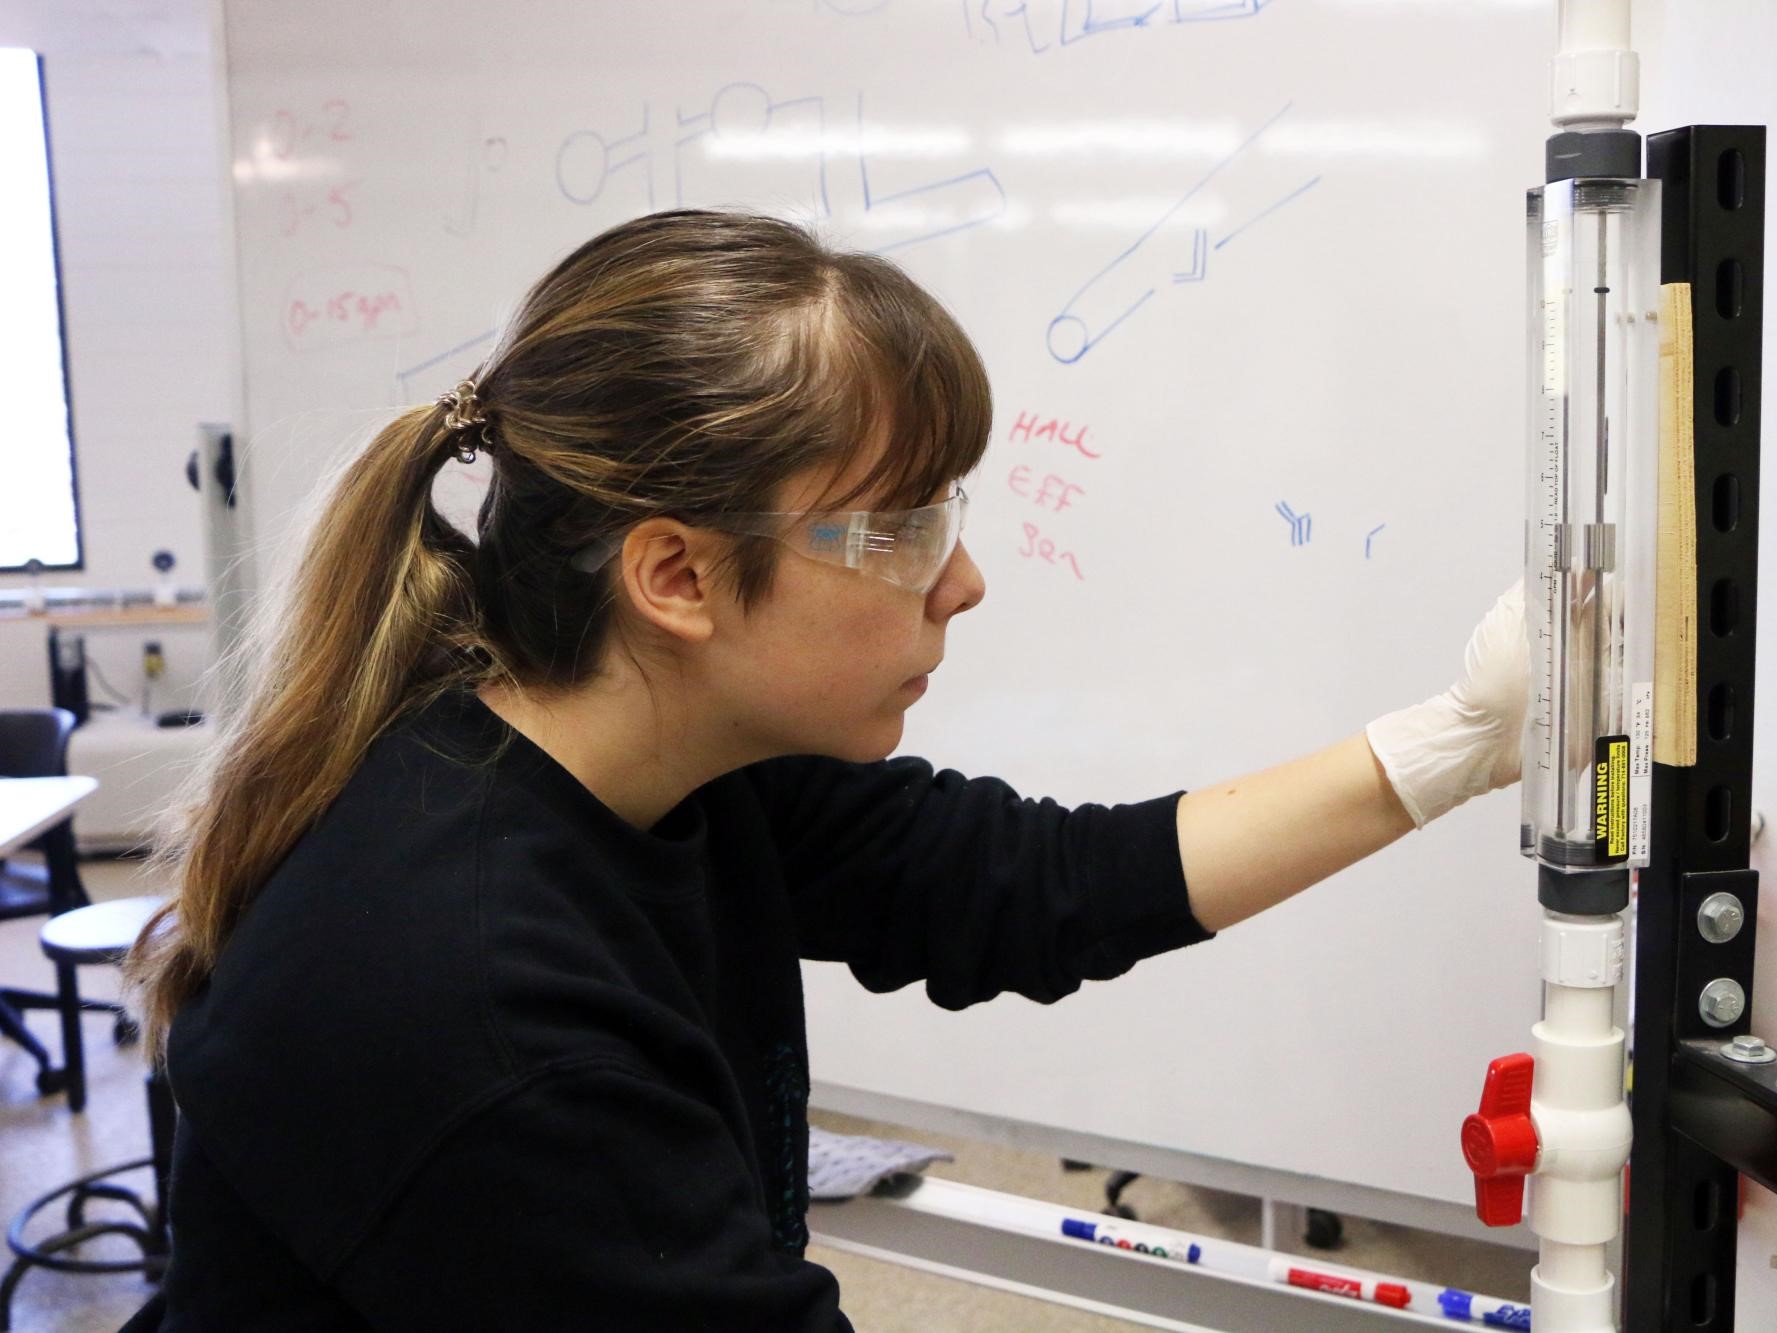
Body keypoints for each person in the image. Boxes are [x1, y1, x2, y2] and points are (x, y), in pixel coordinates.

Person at [122, 209, 1526, 1330]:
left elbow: (1033, 885)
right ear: (674, 573)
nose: (961, 581)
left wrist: (1454, 741)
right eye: (898, 530)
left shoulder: (672, 759)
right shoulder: (477, 1004)